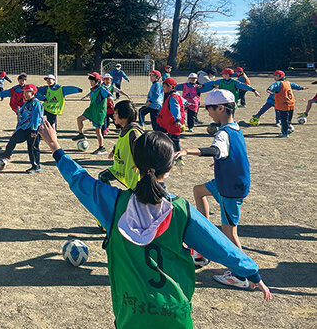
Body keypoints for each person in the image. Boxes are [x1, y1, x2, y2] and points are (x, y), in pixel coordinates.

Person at [39, 123, 271, 328]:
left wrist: (56, 147)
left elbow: (79, 179)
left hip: (131, 315)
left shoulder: (114, 204)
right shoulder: (181, 210)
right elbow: (219, 245)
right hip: (175, 315)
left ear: (134, 164)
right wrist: (249, 271)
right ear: (169, 169)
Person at [174, 89, 259, 286]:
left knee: (230, 233)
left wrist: (187, 151)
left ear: (220, 108)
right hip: (227, 181)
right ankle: (204, 241)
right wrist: (222, 161)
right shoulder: (235, 128)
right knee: (198, 191)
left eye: (210, 109)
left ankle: (241, 275)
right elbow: (234, 152)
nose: (208, 113)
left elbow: (215, 149)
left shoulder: (223, 133)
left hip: (230, 188)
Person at [0, 84, 44, 173]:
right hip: (24, 128)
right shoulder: (26, 103)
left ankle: (36, 167)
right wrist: (17, 129)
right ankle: (7, 154)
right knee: (14, 138)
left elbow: (36, 117)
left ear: (33, 93)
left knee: (32, 148)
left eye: (27, 92)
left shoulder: (36, 103)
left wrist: (34, 130)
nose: (25, 94)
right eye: (24, 92)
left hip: (33, 129)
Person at [97, 100, 143, 190]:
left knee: (134, 195)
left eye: (116, 113)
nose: (113, 116)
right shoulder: (124, 128)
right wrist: (114, 150)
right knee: (103, 176)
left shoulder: (133, 133)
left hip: (131, 171)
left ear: (125, 116)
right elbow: (121, 142)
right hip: (119, 169)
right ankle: (110, 196)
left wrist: (140, 163)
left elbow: (141, 149)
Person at [72, 72, 111, 155]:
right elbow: (91, 93)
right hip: (91, 109)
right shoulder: (93, 89)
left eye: (92, 80)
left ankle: (102, 148)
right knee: (79, 119)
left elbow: (109, 95)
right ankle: (81, 134)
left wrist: (111, 99)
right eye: (90, 80)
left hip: (99, 112)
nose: (91, 82)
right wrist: (85, 96)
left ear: (97, 81)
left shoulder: (102, 89)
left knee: (98, 131)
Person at [267, 70, 307, 137]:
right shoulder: (288, 83)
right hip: (291, 104)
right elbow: (295, 85)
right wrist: (301, 88)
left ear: (280, 76)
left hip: (284, 104)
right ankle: (289, 128)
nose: (274, 77)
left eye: (275, 76)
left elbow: (273, 86)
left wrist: (269, 89)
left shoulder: (279, 83)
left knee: (284, 120)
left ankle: (284, 133)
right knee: (288, 119)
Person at [156, 78, 185, 163]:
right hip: (170, 123)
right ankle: (170, 157)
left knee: (174, 141)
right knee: (170, 139)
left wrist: (178, 120)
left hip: (174, 123)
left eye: (164, 87)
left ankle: (178, 159)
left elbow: (175, 109)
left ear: (171, 87)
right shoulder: (175, 94)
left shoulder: (172, 97)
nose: (163, 88)